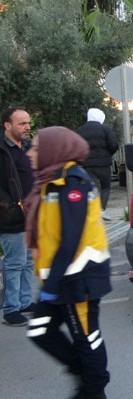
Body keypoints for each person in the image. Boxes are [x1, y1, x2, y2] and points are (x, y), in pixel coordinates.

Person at [24, 126, 111, 398]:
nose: (30, 153)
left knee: (88, 338)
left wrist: (50, 285)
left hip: (78, 278)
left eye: (36, 148)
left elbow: (70, 238)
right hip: (60, 278)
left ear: (53, 149)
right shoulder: (51, 180)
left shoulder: (72, 181)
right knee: (39, 330)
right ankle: (86, 375)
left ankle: (93, 389)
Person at [1, 107, 34, 326]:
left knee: (28, 261)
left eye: (28, 123)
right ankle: (10, 309)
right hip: (11, 215)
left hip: (31, 215)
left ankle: (24, 302)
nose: (27, 127)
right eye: (21, 123)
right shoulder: (2, 150)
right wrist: (9, 203)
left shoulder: (27, 147)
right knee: (14, 263)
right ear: (7, 125)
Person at [76, 108, 119, 221]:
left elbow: (76, 147)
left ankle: (91, 212)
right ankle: (102, 211)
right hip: (104, 164)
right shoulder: (105, 129)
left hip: (87, 165)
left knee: (92, 188)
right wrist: (108, 154)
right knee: (106, 187)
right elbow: (114, 144)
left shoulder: (80, 130)